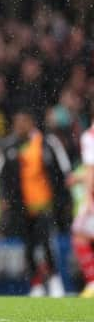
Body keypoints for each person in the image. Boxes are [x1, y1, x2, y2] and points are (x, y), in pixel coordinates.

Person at [0, 108, 71, 297]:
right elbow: (2, 175)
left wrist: (64, 200)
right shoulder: (10, 147)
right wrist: (4, 198)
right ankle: (36, 283)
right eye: (16, 122)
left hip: (45, 204)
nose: (18, 126)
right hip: (22, 206)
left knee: (46, 244)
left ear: (30, 122)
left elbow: (61, 171)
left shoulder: (47, 143)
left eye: (22, 121)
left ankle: (54, 281)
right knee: (28, 245)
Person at [72, 120, 94, 298]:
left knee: (80, 236)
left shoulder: (90, 136)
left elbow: (91, 170)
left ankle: (93, 282)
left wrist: (88, 200)